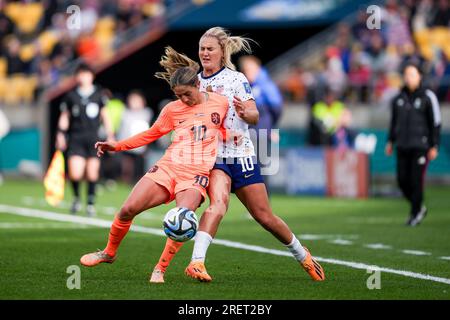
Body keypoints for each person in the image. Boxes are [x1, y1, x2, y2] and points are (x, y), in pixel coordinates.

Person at [151, 27, 325, 283]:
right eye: (202, 48)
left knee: (264, 216)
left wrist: (247, 113)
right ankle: (197, 262)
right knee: (218, 205)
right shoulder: (195, 81)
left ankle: (302, 255)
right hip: (213, 158)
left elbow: (254, 115)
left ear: (222, 52)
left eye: (210, 48)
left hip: (241, 154)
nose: (205, 52)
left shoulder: (236, 79)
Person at [79, 47, 229, 279]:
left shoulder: (221, 103)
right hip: (168, 166)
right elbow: (150, 135)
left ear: (197, 85)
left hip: (195, 174)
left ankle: (160, 269)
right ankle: (109, 253)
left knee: (182, 219)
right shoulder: (172, 109)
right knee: (128, 209)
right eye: (179, 96)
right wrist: (116, 145)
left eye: (187, 94)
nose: (183, 99)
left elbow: (232, 128)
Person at [385, 62, 441, 226]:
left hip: (421, 147)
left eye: (412, 75)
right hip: (402, 145)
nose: (408, 78)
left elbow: (435, 122)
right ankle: (419, 207)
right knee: (402, 181)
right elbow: (394, 122)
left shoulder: (428, 96)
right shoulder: (398, 98)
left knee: (416, 181)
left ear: (419, 77)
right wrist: (390, 141)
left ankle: (415, 214)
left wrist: (434, 145)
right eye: (406, 75)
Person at [56, 63, 114, 216]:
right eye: (81, 74)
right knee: (75, 173)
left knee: (92, 172)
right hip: (76, 137)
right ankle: (76, 198)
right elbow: (65, 116)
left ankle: (90, 203)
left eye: (86, 74)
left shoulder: (99, 94)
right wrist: (60, 134)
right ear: (77, 76)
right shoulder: (71, 96)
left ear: (91, 76)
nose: (84, 77)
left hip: (94, 139)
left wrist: (110, 135)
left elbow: (105, 115)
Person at [118, 90, 153, 184]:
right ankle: (125, 180)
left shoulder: (146, 113)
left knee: (140, 165)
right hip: (128, 143)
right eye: (133, 101)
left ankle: (139, 182)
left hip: (141, 145)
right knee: (127, 165)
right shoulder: (125, 113)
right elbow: (121, 129)